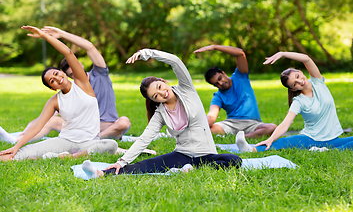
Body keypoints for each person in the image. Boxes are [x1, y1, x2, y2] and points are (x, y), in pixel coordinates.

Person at [81, 49, 242, 178]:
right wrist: (121, 161)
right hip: (182, 154)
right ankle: (101, 173)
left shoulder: (186, 89)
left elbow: (175, 61)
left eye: (159, 87)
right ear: (154, 100)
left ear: (162, 81)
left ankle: (189, 169)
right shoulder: (161, 113)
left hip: (206, 154)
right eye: (155, 96)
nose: (162, 93)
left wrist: (148, 53)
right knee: (146, 165)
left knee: (234, 160)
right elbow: (144, 139)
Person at [0, 26, 118, 161]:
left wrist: (45, 36)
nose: (57, 78)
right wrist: (17, 146)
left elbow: (68, 52)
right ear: (52, 88)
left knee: (111, 145)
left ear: (62, 72)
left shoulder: (82, 84)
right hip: (65, 140)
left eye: (56, 74)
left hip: (89, 142)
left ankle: (68, 157)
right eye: (52, 81)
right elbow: (38, 125)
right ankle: (60, 156)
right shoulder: (54, 101)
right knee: (18, 154)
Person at [236, 51, 353, 153]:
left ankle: (326, 151)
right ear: (293, 88)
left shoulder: (318, 81)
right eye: (295, 83)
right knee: (284, 142)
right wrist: (271, 139)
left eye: (297, 76)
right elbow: (285, 124)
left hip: (333, 138)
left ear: (300, 72)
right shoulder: (298, 101)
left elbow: (306, 59)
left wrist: (282, 54)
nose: (300, 81)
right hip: (311, 138)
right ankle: (251, 150)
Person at [194, 45, 276, 138]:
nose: (221, 83)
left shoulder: (240, 77)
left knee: (272, 128)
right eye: (216, 83)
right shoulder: (218, 96)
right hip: (231, 125)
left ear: (224, 73)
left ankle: (243, 137)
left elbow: (240, 54)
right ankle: (241, 136)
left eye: (220, 78)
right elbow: (212, 115)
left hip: (253, 123)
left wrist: (215, 47)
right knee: (209, 130)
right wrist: (200, 129)